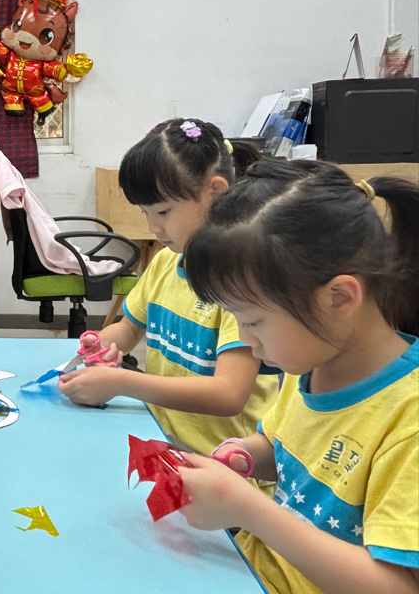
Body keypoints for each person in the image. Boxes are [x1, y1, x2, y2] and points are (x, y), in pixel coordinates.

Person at [176, 160, 419, 594]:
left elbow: (397, 586)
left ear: (338, 298)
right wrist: (245, 454)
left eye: (253, 321)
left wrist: (248, 509)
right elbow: (285, 447)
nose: (245, 339)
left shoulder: (408, 419)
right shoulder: (309, 361)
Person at [57, 118, 278, 456]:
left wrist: (121, 382)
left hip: (224, 462)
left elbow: (229, 395)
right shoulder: (164, 262)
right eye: (145, 212)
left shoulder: (239, 283)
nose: (153, 227)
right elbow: (129, 329)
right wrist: (100, 345)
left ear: (216, 193)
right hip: (164, 445)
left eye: (163, 211)